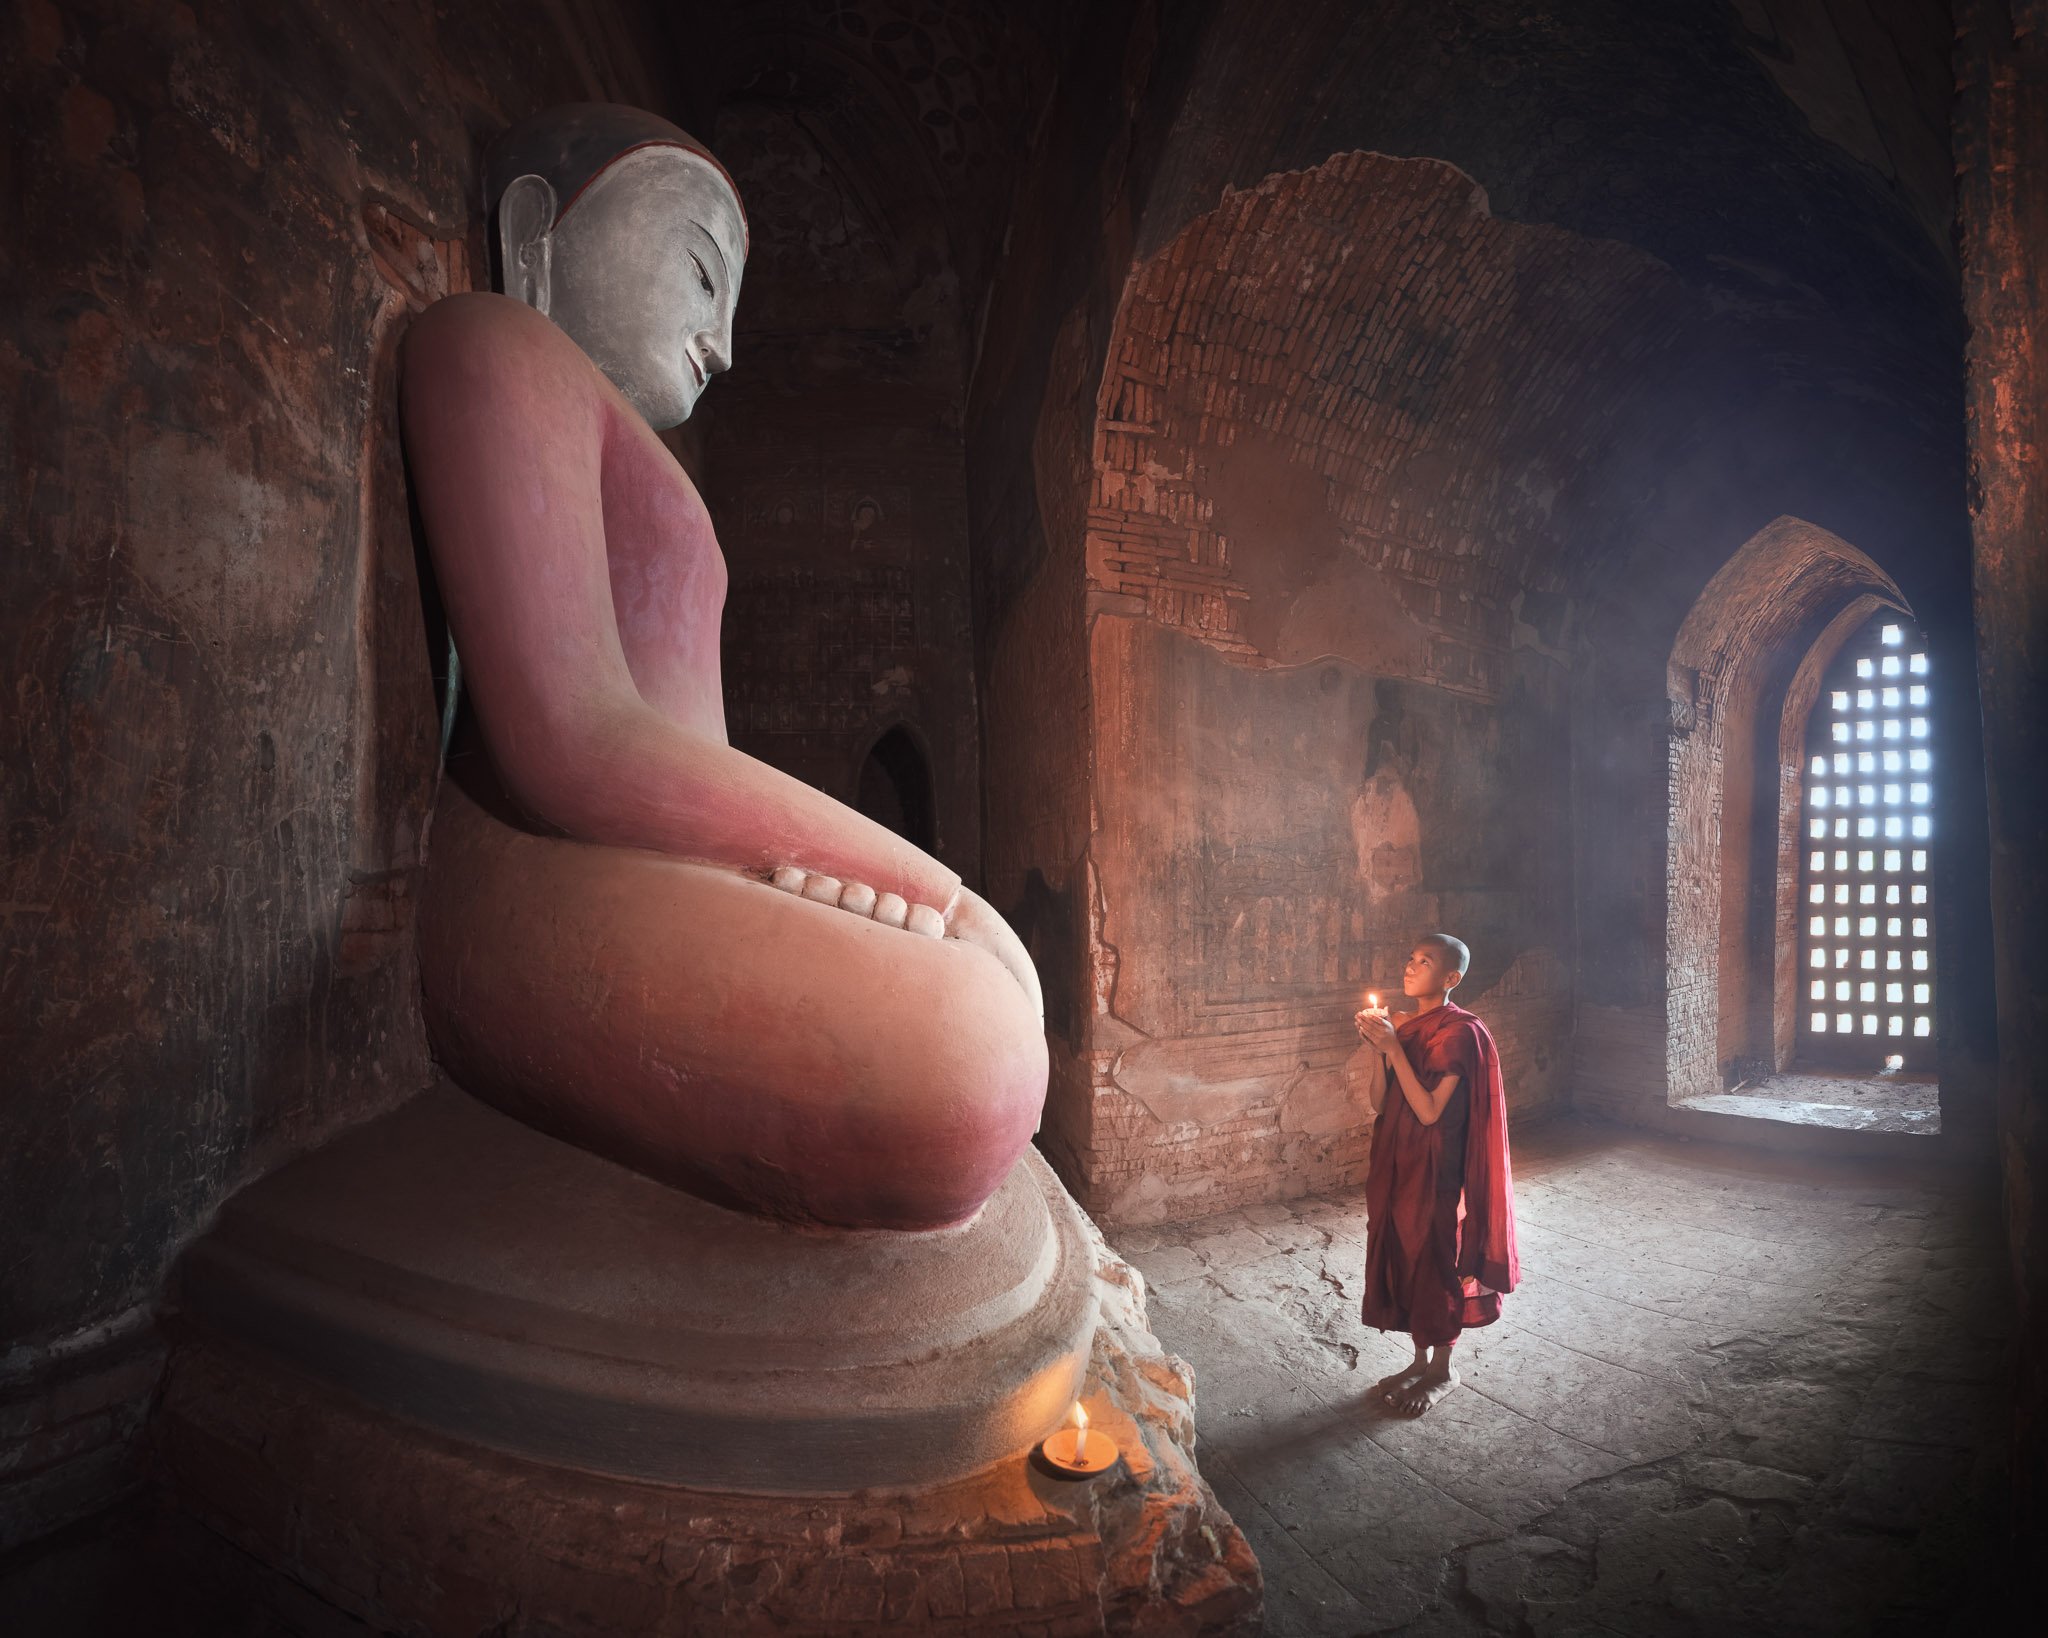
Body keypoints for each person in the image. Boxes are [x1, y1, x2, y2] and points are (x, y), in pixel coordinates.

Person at [1353, 935, 1518, 1414]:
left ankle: (1444, 1370)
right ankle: (1419, 1360)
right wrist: (1379, 1048)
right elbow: (1380, 1102)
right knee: (1403, 1250)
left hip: (1437, 1161)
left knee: (1435, 1256)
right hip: (1397, 1158)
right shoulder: (1402, 1026)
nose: (1410, 968)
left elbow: (1428, 1112)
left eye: (1424, 962)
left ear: (1450, 979)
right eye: (1410, 958)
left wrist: (1394, 1047)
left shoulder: (1460, 1033)